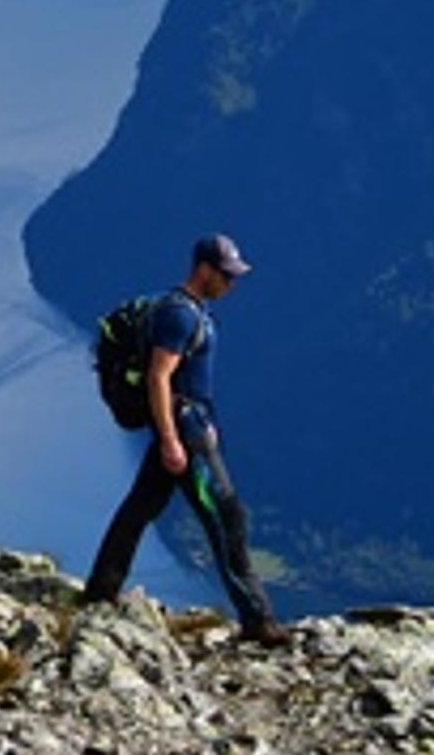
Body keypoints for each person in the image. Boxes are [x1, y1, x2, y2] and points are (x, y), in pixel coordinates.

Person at [81, 233, 285, 644]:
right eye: (225, 275)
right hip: (184, 436)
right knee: (228, 519)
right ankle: (259, 621)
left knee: (139, 508)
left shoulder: (181, 308)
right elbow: (159, 377)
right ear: (203, 270)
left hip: (186, 427)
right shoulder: (181, 317)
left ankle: (101, 590)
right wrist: (173, 440)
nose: (232, 283)